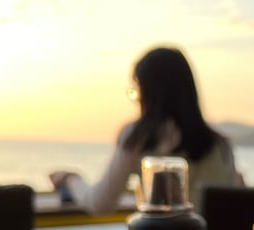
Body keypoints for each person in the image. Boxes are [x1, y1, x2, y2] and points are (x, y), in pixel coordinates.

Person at [50, 46, 243, 215]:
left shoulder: (139, 138)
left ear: (147, 93)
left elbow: (101, 203)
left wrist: (71, 180)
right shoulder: (221, 146)